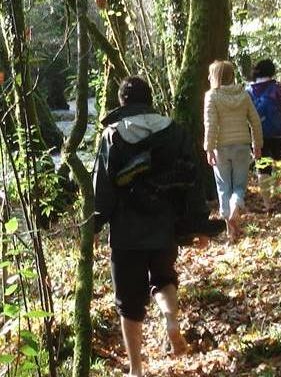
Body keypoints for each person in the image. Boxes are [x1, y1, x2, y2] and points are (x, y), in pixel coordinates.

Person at [93, 76, 199, 376]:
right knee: (164, 278)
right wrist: (197, 224)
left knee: (128, 302)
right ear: (149, 99)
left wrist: (95, 224)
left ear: (122, 102)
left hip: (126, 232)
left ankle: (136, 369)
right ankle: (170, 319)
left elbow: (103, 186)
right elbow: (192, 180)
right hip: (165, 225)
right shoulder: (174, 131)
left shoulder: (112, 135)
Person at [203, 60, 262, 241]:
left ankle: (230, 231)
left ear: (215, 77)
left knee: (223, 188)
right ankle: (236, 209)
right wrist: (257, 144)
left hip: (221, 148)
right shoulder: (243, 94)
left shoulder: (211, 96)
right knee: (239, 186)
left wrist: (209, 147)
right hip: (242, 146)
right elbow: (255, 120)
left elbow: (210, 124)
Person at [247, 58, 281, 171]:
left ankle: (265, 187)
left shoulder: (248, 91)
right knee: (280, 164)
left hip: (257, 136)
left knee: (262, 168)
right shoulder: (277, 89)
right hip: (278, 134)